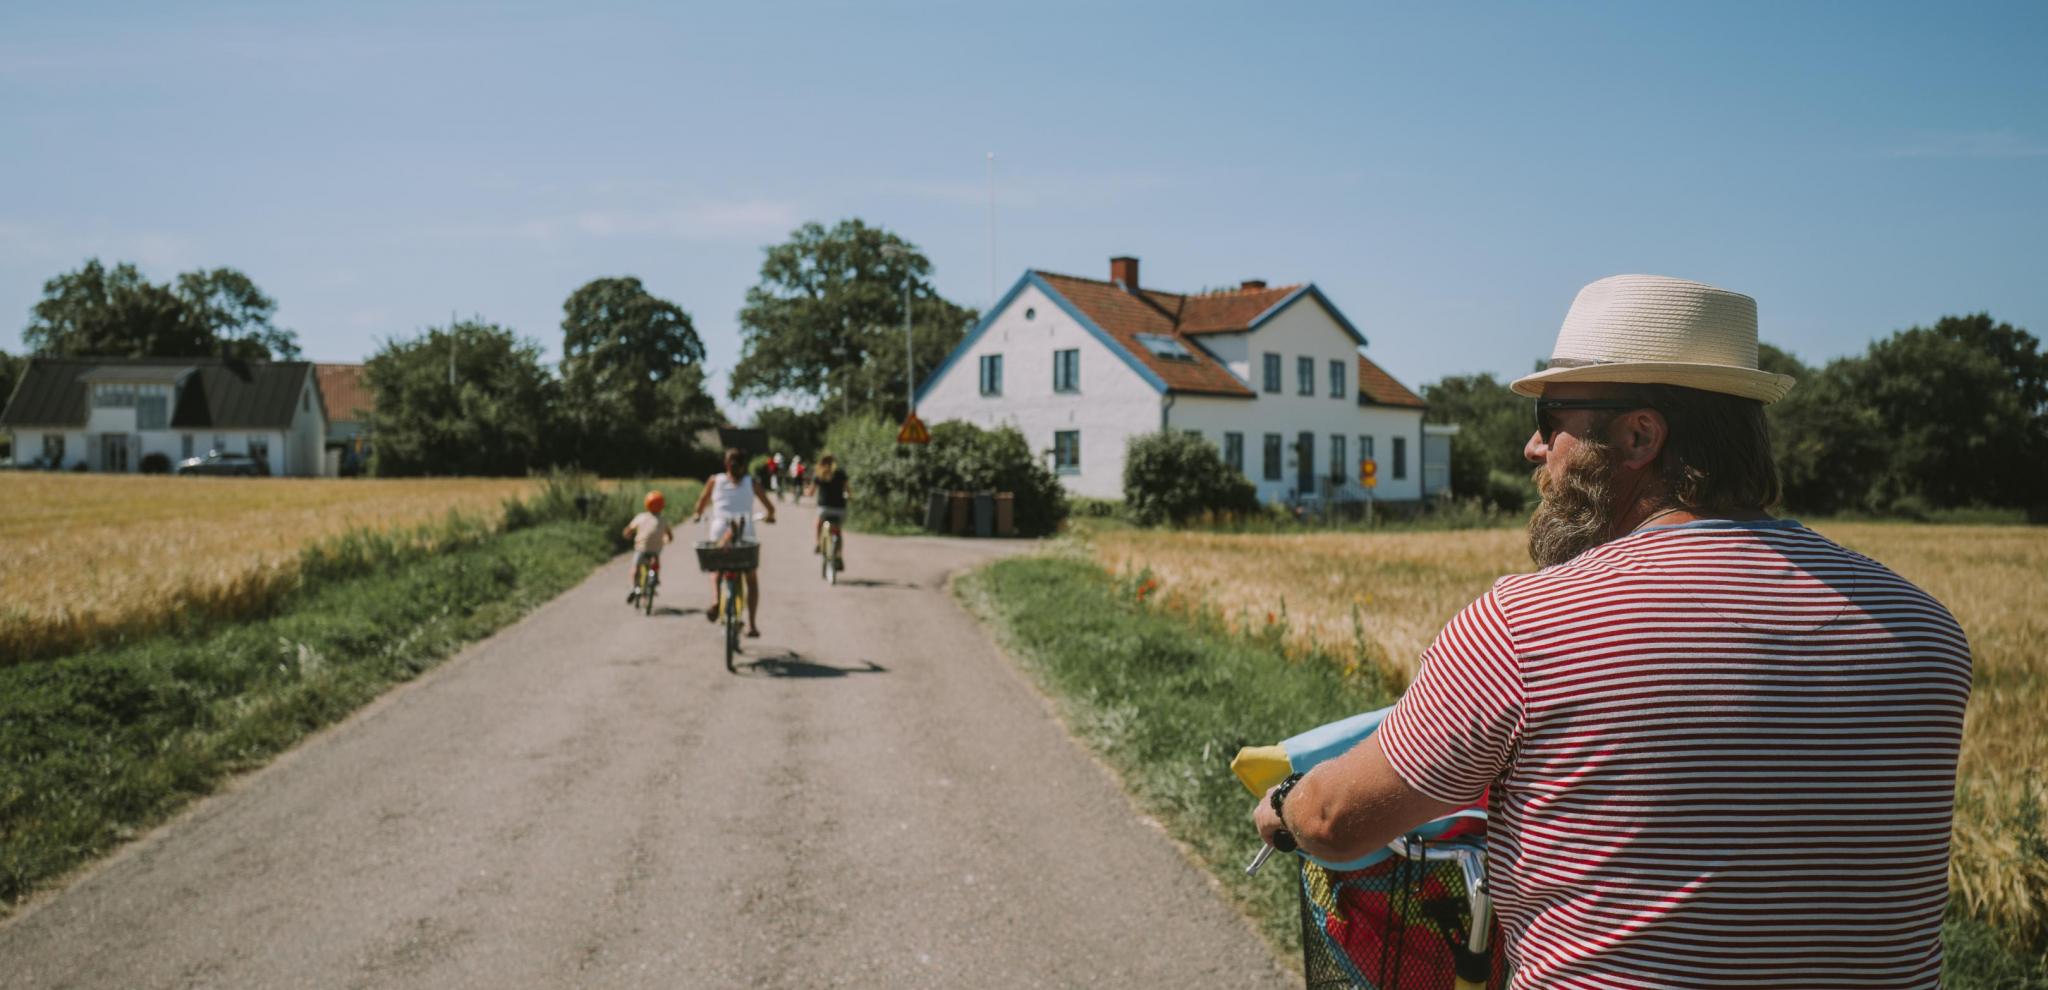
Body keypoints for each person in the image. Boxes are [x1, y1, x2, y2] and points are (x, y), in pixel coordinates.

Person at [1252, 275, 1970, 988]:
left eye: (1549, 418)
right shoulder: (1929, 632)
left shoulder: (1526, 628)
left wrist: (1284, 807)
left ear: (1638, 436)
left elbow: (1336, 819)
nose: (1534, 449)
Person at [691, 448, 777, 637]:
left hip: (720, 531)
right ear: (744, 465)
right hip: (745, 532)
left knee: (716, 569)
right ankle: (752, 625)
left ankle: (715, 600)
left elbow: (700, 504)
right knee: (751, 578)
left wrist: (698, 515)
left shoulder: (715, 480)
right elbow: (770, 508)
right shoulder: (751, 483)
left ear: (726, 464)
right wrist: (770, 516)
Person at [622, 490, 674, 605]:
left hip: (641, 548)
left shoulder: (640, 517)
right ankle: (655, 579)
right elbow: (670, 537)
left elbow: (628, 530)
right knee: (656, 560)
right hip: (656, 549)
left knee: (635, 568)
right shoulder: (663, 520)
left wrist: (627, 535)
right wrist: (666, 540)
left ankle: (635, 587)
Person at [807, 454, 851, 563]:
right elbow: (848, 490)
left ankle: (818, 543)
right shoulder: (840, 473)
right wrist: (850, 497)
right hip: (840, 509)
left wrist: (807, 492)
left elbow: (810, 492)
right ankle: (839, 555)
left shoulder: (819, 474)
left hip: (824, 509)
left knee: (818, 525)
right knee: (838, 531)